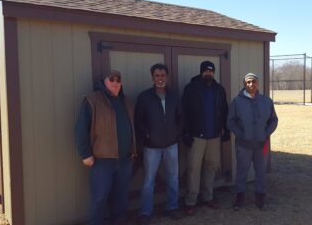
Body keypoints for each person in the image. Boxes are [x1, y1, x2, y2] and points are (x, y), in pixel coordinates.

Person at [75, 70, 137, 225]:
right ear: (104, 82)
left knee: (121, 196)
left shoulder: (127, 101)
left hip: (125, 159)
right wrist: (85, 153)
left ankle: (119, 221)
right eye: (112, 79)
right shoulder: (92, 100)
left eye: (118, 80)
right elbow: (81, 128)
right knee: (100, 197)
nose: (115, 83)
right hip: (102, 160)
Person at [135, 63, 183, 225]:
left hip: (171, 144)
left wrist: (176, 133)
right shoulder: (145, 97)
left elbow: (180, 117)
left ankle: (172, 207)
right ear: (152, 77)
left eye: (162, 75)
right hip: (151, 146)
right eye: (157, 75)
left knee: (173, 178)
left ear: (167, 77)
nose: (160, 78)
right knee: (149, 180)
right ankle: (145, 212)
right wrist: (148, 135)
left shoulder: (174, 95)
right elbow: (138, 120)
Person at [182, 60, 230, 215]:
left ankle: (208, 197)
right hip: (197, 137)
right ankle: (191, 201)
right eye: (206, 71)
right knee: (193, 169)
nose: (208, 74)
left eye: (211, 71)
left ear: (214, 72)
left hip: (214, 136)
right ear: (201, 71)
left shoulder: (219, 89)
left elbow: (224, 110)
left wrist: (226, 130)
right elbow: (184, 112)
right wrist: (186, 132)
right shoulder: (191, 89)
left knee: (211, 167)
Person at [227, 72, 278, 211]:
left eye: (253, 81)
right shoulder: (237, 102)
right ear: (245, 84)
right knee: (242, 171)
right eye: (248, 82)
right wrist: (240, 133)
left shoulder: (266, 101)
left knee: (260, 171)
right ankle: (239, 197)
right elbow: (230, 121)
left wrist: (266, 133)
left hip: (261, 144)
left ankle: (260, 197)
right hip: (243, 144)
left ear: (258, 83)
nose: (251, 84)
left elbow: (274, 120)